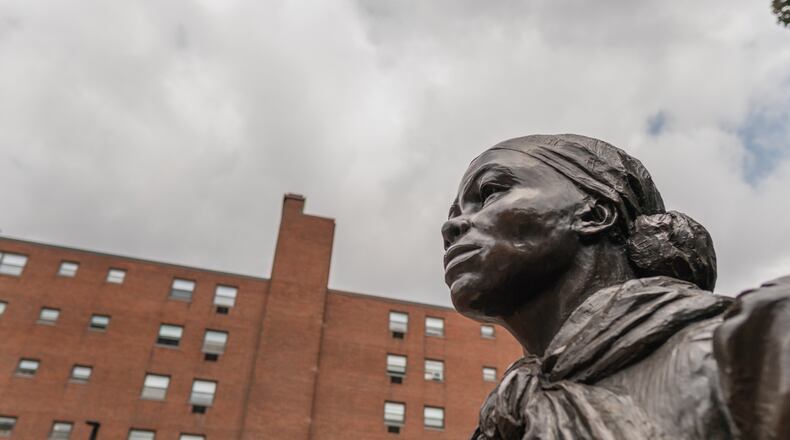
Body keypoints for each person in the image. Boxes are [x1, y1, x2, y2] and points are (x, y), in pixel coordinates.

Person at [441, 134, 789, 440]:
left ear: (595, 213)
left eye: (489, 192)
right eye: (453, 211)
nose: (452, 226)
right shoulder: (506, 420)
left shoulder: (757, 347)